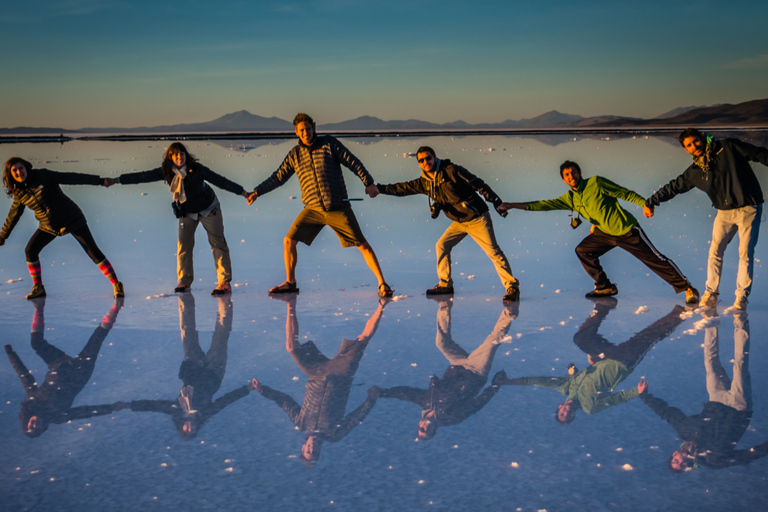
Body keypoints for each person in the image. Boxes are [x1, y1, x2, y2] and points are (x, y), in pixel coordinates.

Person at [499, 160, 698, 302]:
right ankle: (604, 287)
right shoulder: (570, 198)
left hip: (626, 229)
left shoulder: (596, 182)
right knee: (583, 250)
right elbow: (543, 204)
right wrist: (512, 205)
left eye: (574, 172)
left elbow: (623, 192)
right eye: (567, 175)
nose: (571, 176)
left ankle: (687, 287)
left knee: (654, 259)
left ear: (579, 172)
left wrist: (645, 204)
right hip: (604, 233)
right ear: (564, 180)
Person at [248, 113, 393, 298]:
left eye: (308, 129)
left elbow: (353, 162)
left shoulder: (329, 144)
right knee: (289, 241)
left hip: (337, 207)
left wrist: (369, 182)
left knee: (362, 244)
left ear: (314, 127)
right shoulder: (295, 154)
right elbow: (278, 177)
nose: (305, 133)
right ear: (296, 132)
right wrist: (257, 192)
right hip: (312, 209)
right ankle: (290, 283)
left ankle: (383, 283)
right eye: (301, 130)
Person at [495, 299, 685, 423]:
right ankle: (682, 313)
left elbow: (536, 381)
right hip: (623, 363)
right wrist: (637, 392)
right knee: (648, 336)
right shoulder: (590, 407)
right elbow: (616, 399)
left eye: (561, 413)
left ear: (559, 407)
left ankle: (603, 305)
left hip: (604, 356)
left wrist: (506, 382)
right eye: (568, 416)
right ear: (573, 415)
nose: (566, 413)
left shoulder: (565, 387)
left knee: (581, 339)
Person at [251, 295, 386, 465]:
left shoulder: (301, 423)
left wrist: (263, 390)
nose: (312, 448)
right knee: (363, 338)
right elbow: (356, 418)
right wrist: (371, 399)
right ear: (319, 450)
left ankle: (290, 303)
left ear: (303, 447)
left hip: (316, 373)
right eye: (315, 452)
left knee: (291, 347)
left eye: (308, 451)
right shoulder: (334, 434)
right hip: (341, 375)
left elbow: (284, 401)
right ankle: (382, 305)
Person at [374, 146, 520, 301]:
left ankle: (512, 287)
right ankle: (445, 284)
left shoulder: (452, 171)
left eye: (428, 158)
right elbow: (401, 188)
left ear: (435, 158)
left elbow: (478, 184)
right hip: (459, 222)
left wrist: (496, 202)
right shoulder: (424, 183)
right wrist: (378, 189)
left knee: (493, 251)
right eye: (421, 160)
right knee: (442, 245)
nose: (425, 162)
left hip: (477, 218)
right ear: (418, 163)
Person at [644, 128, 768, 310]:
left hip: (748, 208)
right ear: (686, 150)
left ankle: (742, 296)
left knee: (745, 254)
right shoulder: (695, 172)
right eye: (688, 145)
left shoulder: (728, 147)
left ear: (702, 138)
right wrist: (652, 201)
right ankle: (711, 294)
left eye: (695, 141)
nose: (694, 146)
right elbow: (675, 186)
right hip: (724, 213)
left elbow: (758, 153)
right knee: (715, 253)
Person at [106, 142, 250, 295]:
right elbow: (143, 176)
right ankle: (184, 281)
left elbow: (220, 180)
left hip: (209, 209)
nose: (179, 157)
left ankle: (224, 282)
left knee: (218, 243)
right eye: (175, 154)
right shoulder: (167, 172)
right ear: (170, 158)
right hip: (187, 211)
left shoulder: (197, 169)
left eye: (182, 154)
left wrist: (243, 193)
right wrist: (117, 180)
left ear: (186, 155)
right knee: (184, 246)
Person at [641, 310, 768, 471]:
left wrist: (645, 396)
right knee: (740, 365)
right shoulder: (713, 460)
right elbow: (746, 456)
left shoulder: (684, 430)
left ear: (675, 454)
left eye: (676, 461)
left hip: (716, 398)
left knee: (710, 362)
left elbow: (666, 413)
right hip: (738, 407)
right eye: (683, 465)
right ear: (688, 466)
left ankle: (710, 320)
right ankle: (741, 320)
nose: (682, 461)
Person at [377, 298, 518, 440]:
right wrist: (495, 386)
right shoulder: (452, 417)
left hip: (457, 365)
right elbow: (477, 404)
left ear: (419, 424)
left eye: (421, 429)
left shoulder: (426, 403)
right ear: (434, 430)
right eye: (427, 431)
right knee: (492, 342)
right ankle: (510, 311)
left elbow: (406, 393)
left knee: (441, 343)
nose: (425, 427)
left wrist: (384, 392)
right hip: (476, 371)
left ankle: (444, 305)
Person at [1, 157, 124, 299]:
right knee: (30, 250)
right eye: (14, 170)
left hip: (71, 218)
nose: (18, 172)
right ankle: (38, 287)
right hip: (48, 225)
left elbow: (70, 177)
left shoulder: (43, 176)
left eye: (20, 168)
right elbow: (13, 215)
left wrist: (100, 181)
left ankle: (117, 284)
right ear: (11, 175)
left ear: (26, 168)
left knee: (93, 251)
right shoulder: (19, 193)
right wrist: (3, 235)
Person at [5, 297, 125, 437]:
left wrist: (10, 354)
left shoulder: (32, 402)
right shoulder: (58, 416)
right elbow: (84, 412)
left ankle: (39, 306)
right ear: (43, 427)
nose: (35, 425)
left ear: (26, 423)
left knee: (36, 343)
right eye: (37, 428)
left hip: (58, 366)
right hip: (80, 372)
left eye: (31, 426)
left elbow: (24, 376)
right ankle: (116, 308)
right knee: (96, 341)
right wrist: (111, 408)